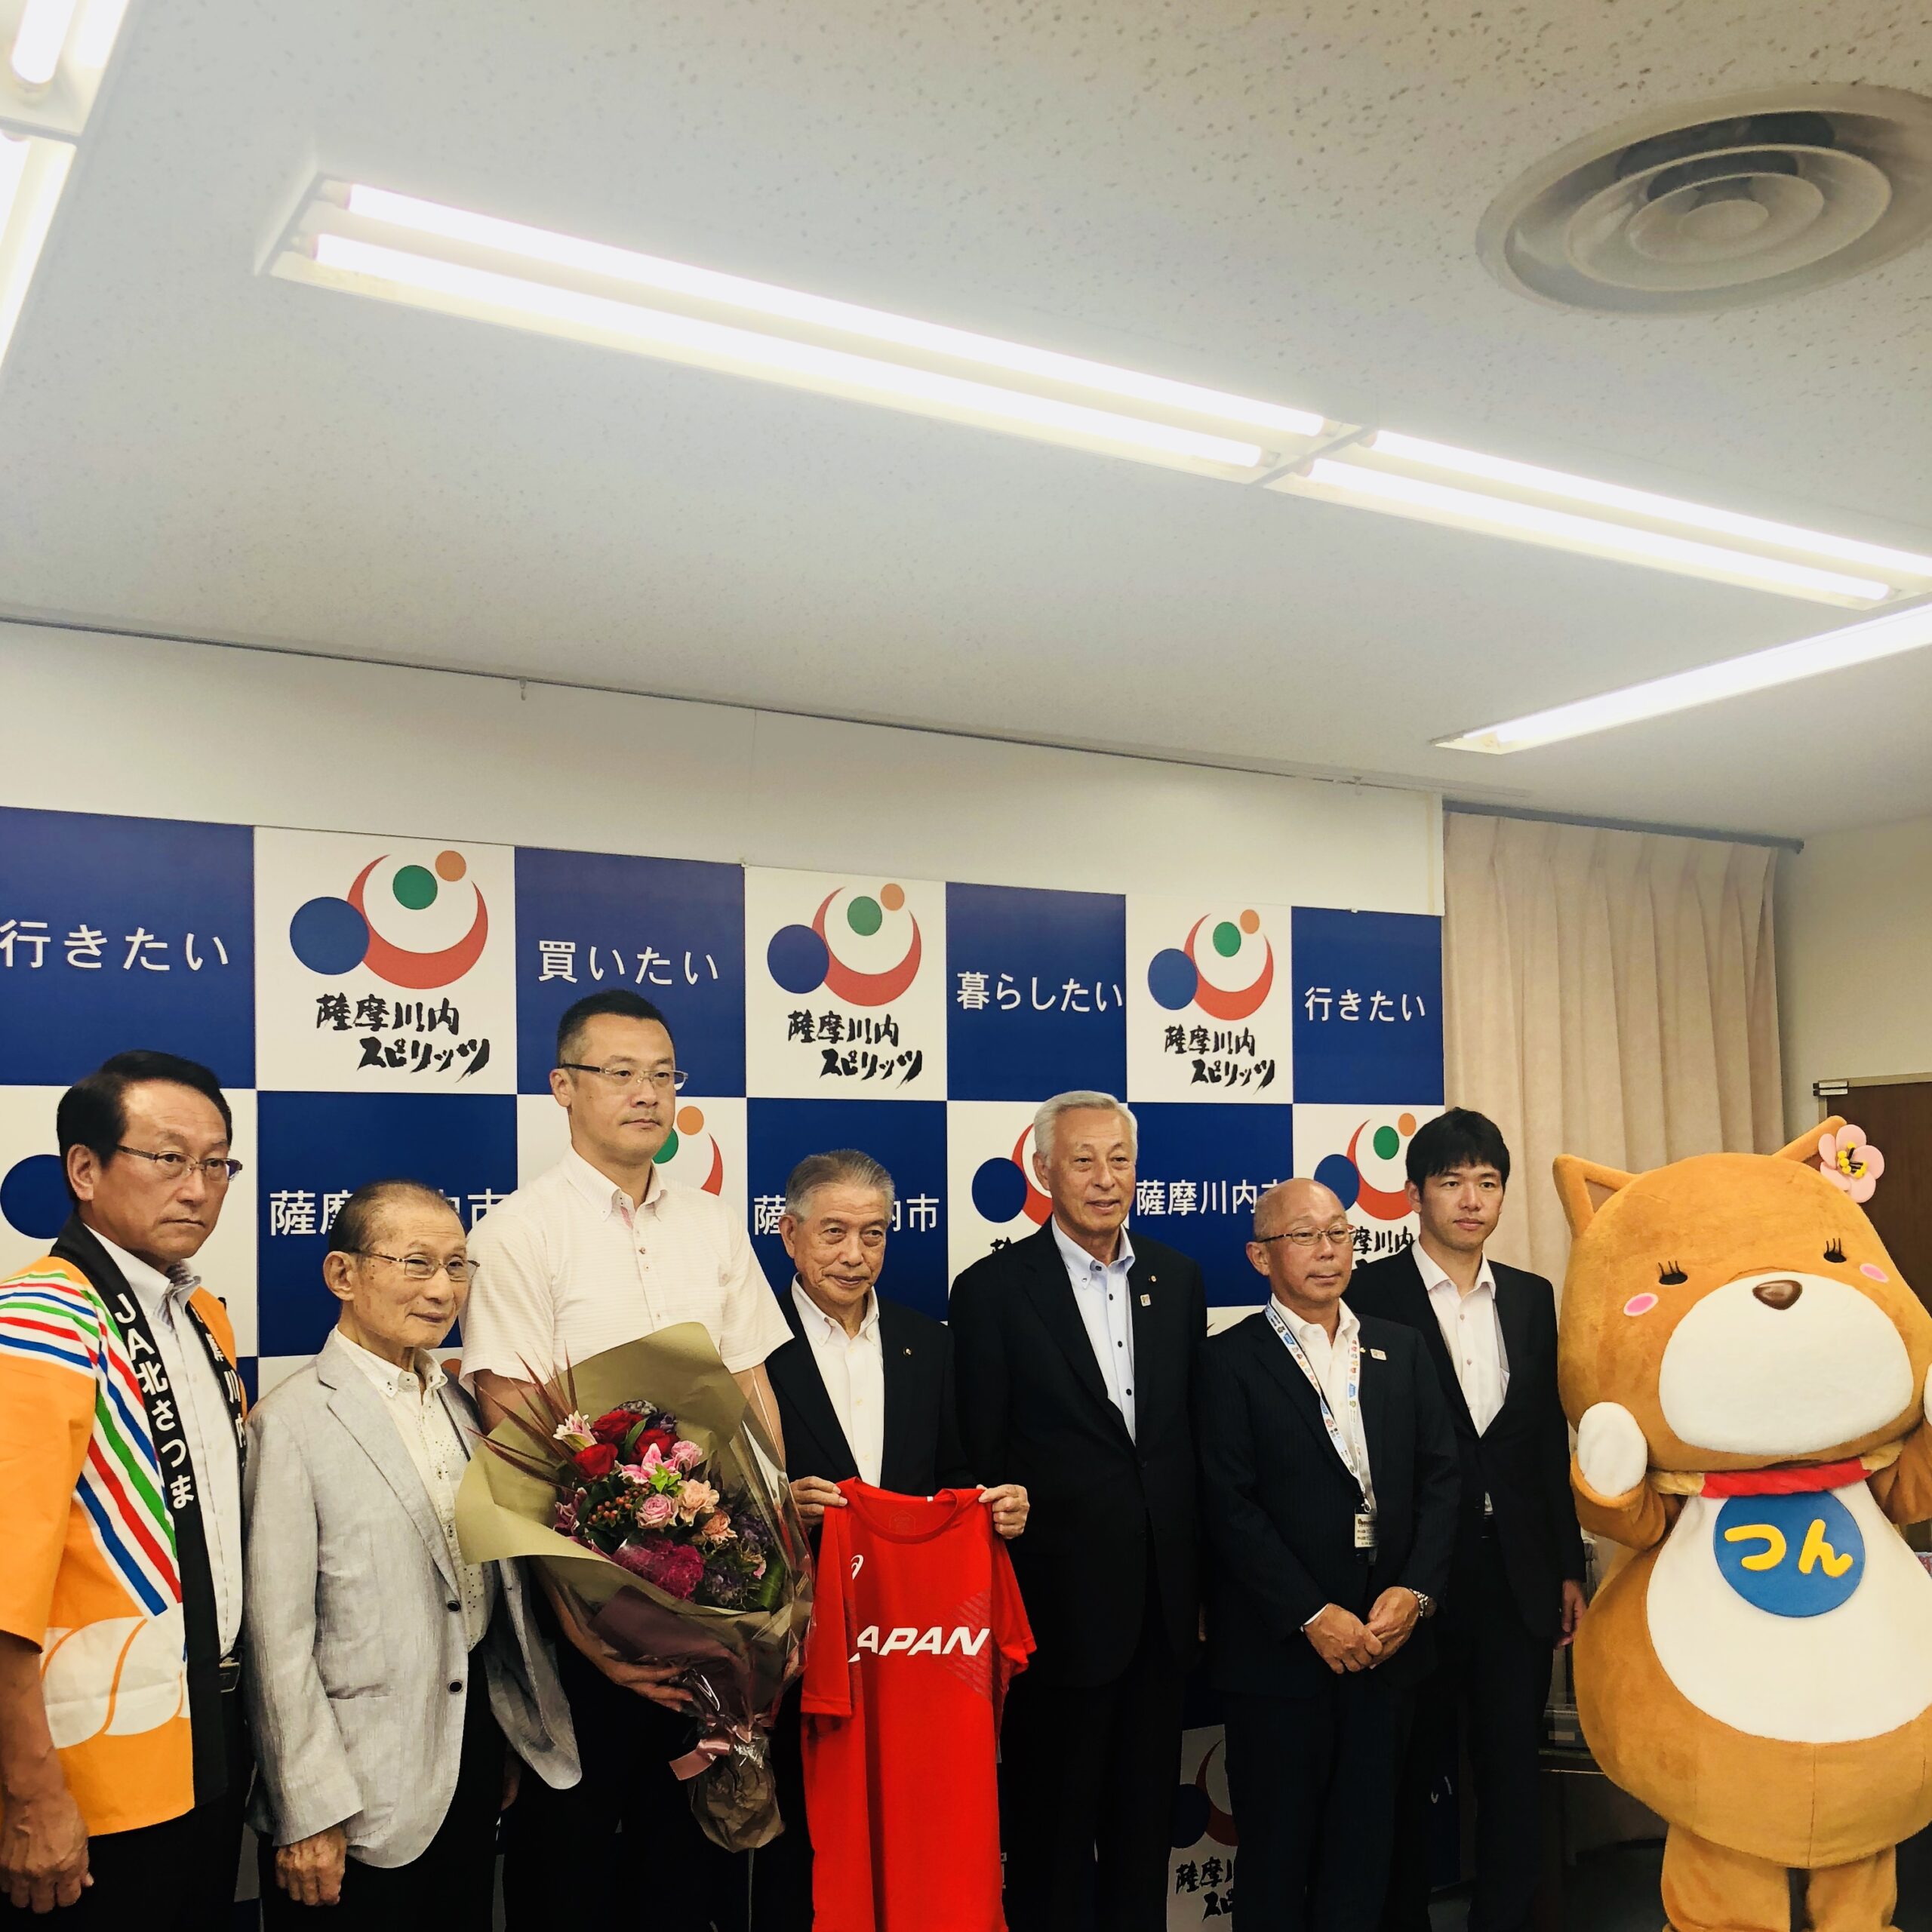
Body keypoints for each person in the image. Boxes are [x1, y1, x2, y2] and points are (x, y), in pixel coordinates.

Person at [460, 989, 792, 1927]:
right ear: (563, 1087)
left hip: (716, 1589)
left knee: (687, 1857)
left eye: (662, 1075)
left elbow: (754, 1392)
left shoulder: (711, 1222)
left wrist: (776, 1568)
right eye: (619, 1073)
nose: (646, 1094)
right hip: (586, 1602)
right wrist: (582, 1629)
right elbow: (515, 1433)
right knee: (572, 1861)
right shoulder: (518, 1232)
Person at [244, 1180, 580, 1927]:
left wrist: (505, 1734)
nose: (442, 1289)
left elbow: (490, 1591)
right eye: (417, 1263)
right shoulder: (290, 1422)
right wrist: (308, 1810)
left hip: (468, 1758)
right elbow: (276, 1640)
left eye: (457, 1266)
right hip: (355, 1788)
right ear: (343, 1274)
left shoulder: (461, 1405)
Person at [745, 1149, 1029, 1930]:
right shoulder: (748, 1347)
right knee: (804, 1848)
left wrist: (996, 1507)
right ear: (789, 1235)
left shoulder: (926, 1341)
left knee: (911, 1829)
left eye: (873, 1233)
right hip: (797, 1641)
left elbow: (955, 1473)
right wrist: (780, 1507)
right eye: (833, 1232)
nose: (855, 1253)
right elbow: (716, 1500)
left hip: (910, 1647)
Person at [0, 1051, 251, 1924]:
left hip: (204, 1743)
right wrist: (30, 1791)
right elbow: (5, 1586)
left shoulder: (202, 1315)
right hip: (84, 1775)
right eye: (168, 1157)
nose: (198, 1188)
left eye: (216, 1163)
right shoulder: (38, 1320)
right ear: (84, 1169)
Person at [949, 1091, 1204, 1932]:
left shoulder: (1177, 1278)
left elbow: (1187, 1443)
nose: (1105, 1178)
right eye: (1083, 1160)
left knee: (1143, 1838)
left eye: (1119, 1159)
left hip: (1162, 1611)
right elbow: (979, 1458)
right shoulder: (991, 1291)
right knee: (1050, 1841)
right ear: (1043, 1170)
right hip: (1053, 1612)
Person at [1198, 1178, 1460, 1932]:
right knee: (1278, 1863)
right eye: (1304, 1235)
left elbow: (1443, 1478)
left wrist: (1416, 1593)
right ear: (1260, 1257)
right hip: (1281, 1659)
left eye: (1339, 1233)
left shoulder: (1399, 1347)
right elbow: (1227, 1505)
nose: (1327, 1251)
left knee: (1368, 1859)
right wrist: (1311, 1613)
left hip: (1387, 1645)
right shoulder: (1225, 1361)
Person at [1349, 1109, 1587, 1932]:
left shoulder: (1529, 1296)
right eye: (1451, 1182)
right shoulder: (1367, 1291)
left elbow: (1543, 1440)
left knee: (1511, 1770)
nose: (1472, 1199)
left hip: (1512, 1570)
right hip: (1410, 1573)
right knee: (1403, 1773)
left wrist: (1567, 1565)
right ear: (1415, 1194)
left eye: (1487, 1182)